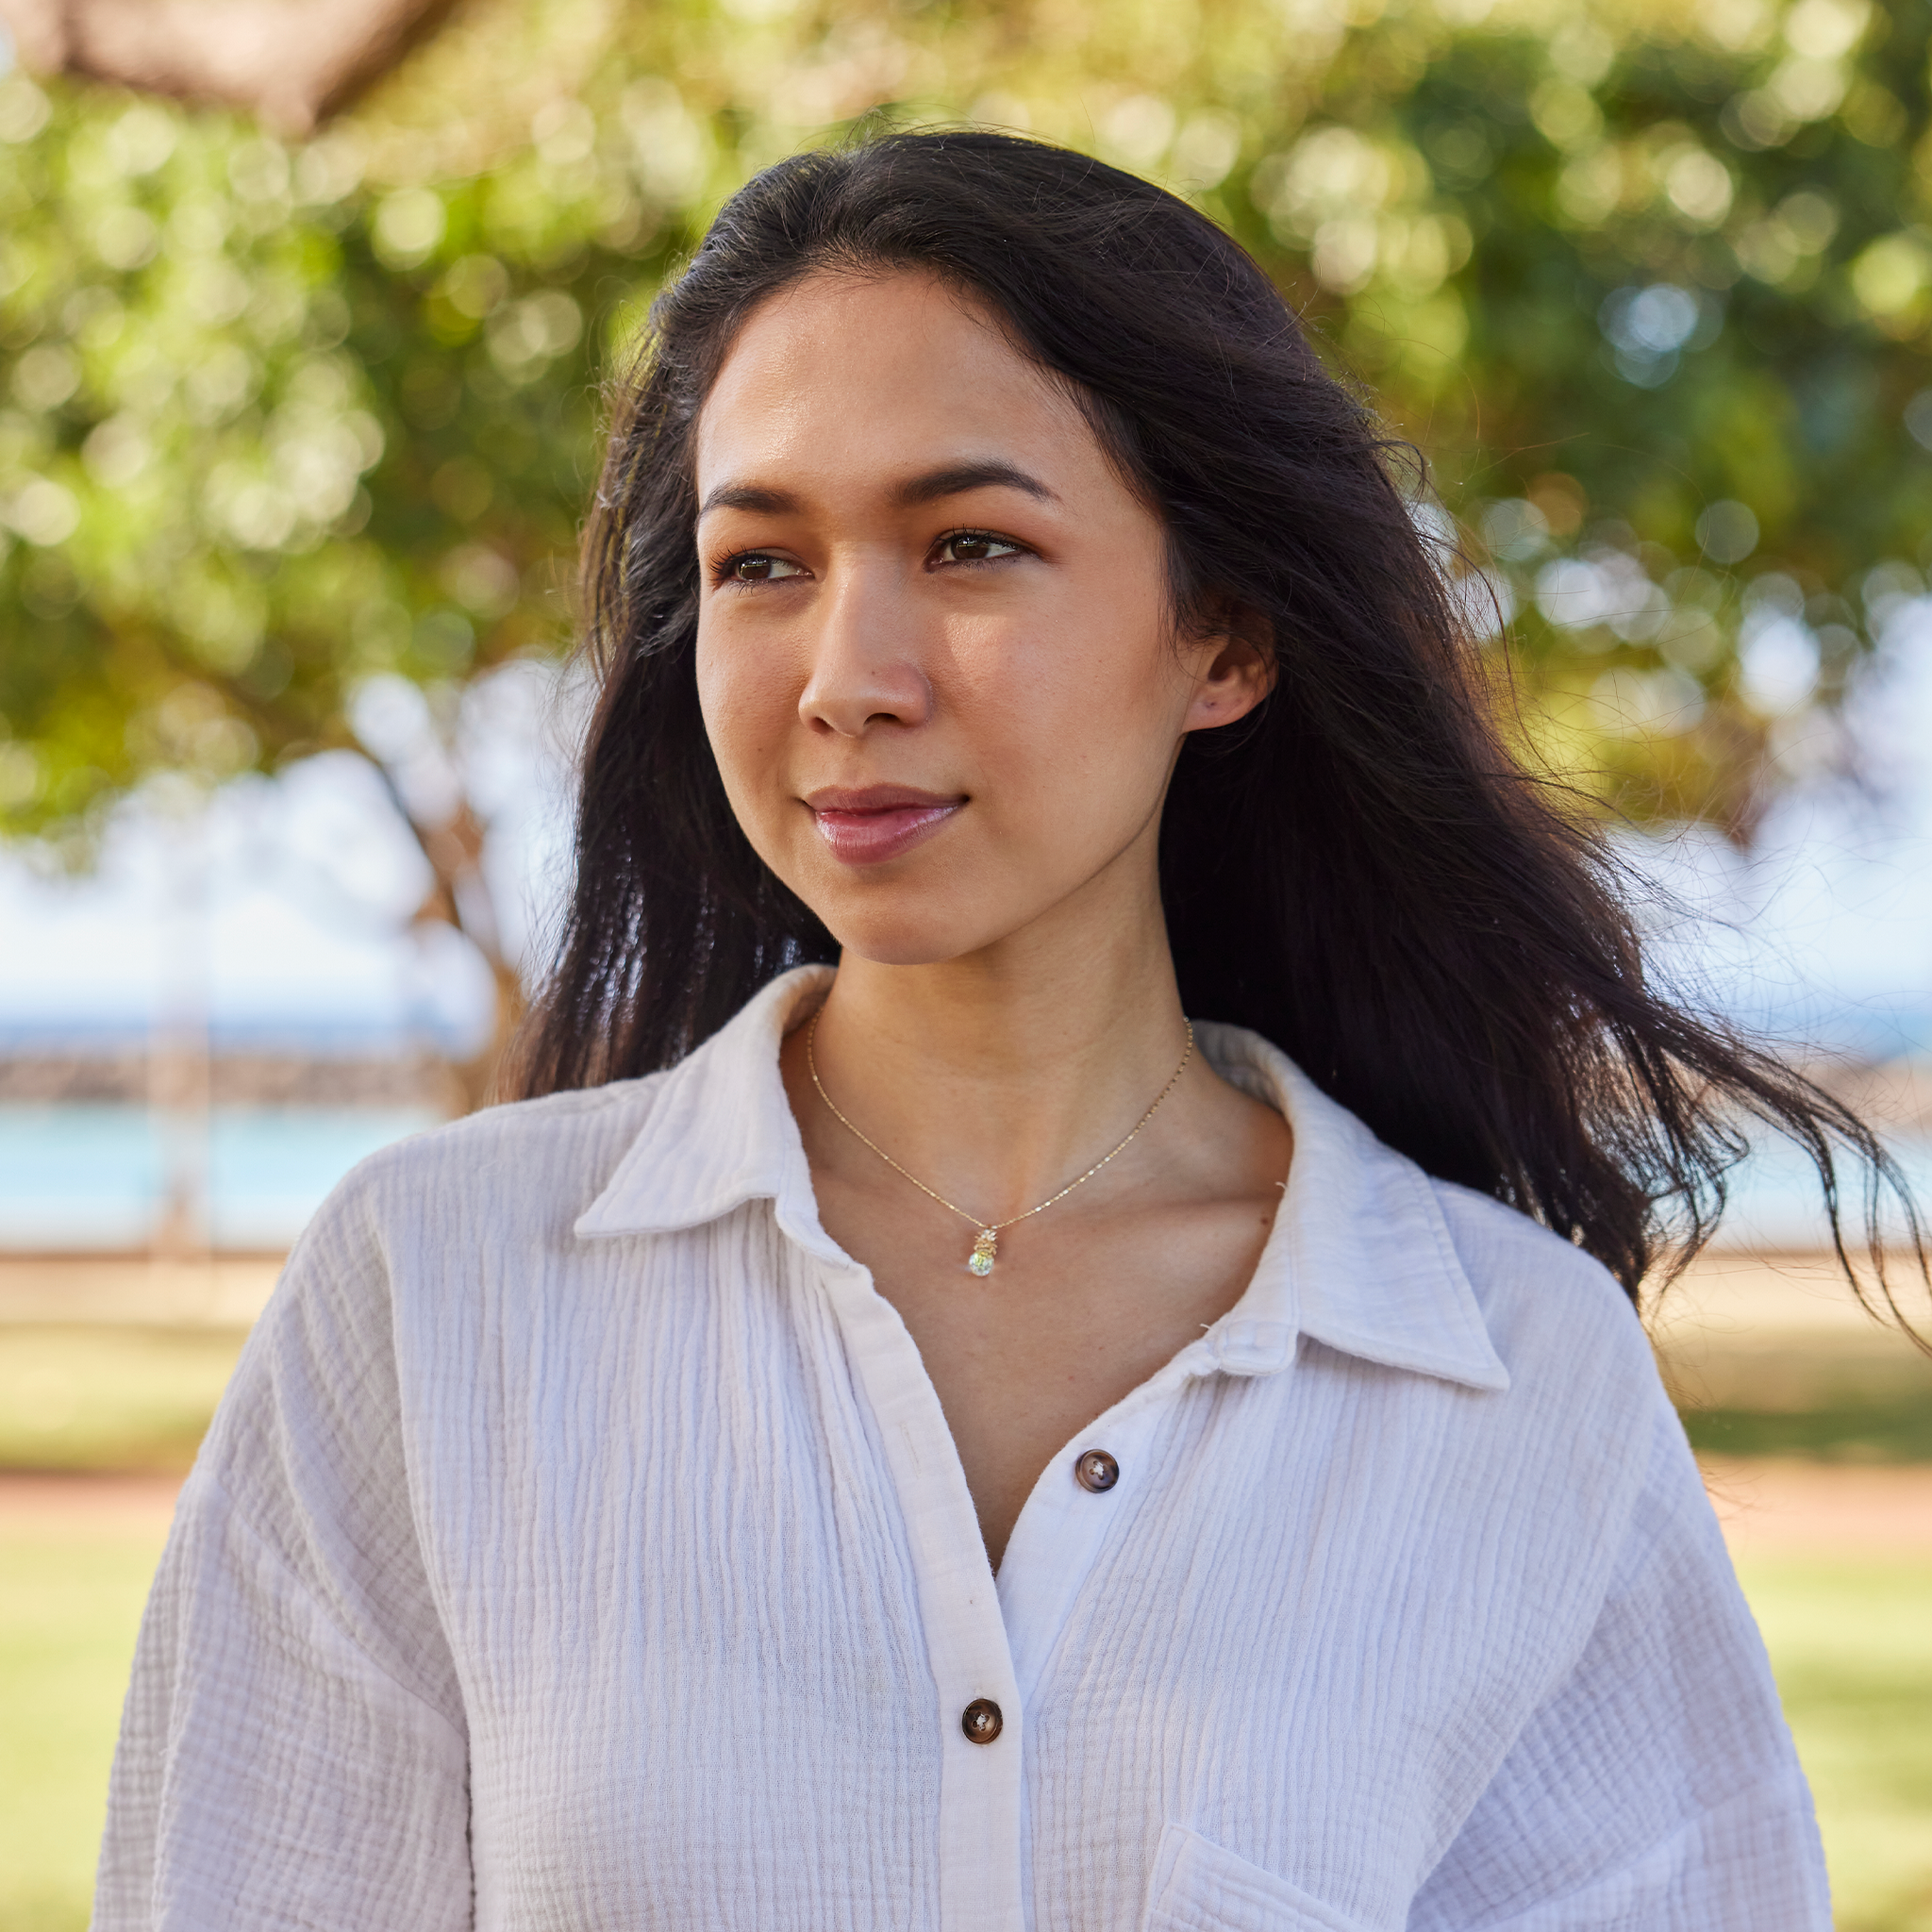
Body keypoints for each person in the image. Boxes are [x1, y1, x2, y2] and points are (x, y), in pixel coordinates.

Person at [95, 130, 1920, 1930]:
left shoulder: (1517, 1379)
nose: (846, 680)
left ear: (1224, 638)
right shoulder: (433, 1300)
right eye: (762, 563)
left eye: (968, 545)